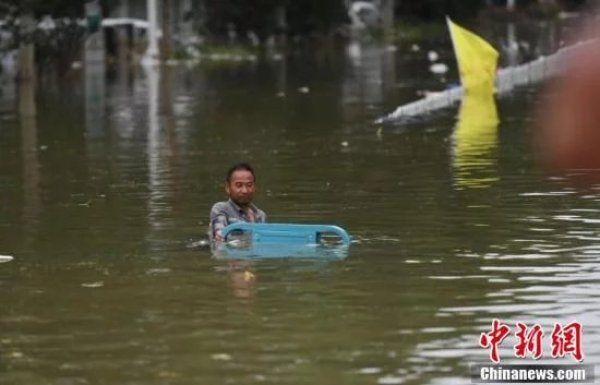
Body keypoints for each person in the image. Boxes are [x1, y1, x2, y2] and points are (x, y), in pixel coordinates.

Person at [209, 163, 267, 241]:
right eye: (239, 185)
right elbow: (220, 235)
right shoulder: (221, 209)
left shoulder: (260, 216)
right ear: (227, 188)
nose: (245, 191)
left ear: (254, 187)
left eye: (249, 185)